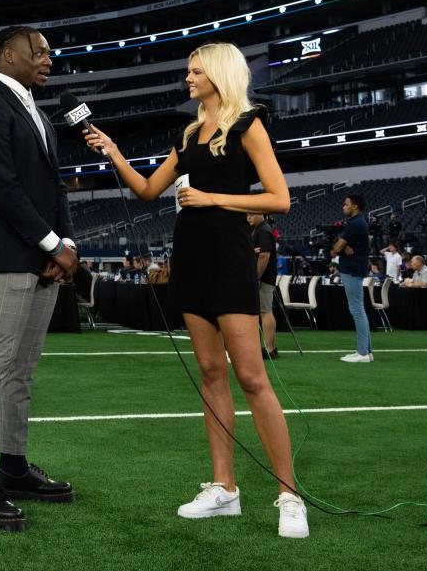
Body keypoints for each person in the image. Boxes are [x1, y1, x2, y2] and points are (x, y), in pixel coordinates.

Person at [84, 42, 308, 538]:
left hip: (229, 260)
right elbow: (146, 190)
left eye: (195, 71)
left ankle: (289, 494)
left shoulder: (249, 126)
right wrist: (115, 151)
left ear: (219, 74)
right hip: (190, 260)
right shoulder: (188, 133)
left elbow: (280, 198)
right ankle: (224, 489)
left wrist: (211, 198)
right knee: (210, 372)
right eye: (187, 71)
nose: (187, 79)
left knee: (251, 377)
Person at [0, 25, 78, 533]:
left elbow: (52, 188)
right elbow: (2, 187)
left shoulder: (38, 111)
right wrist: (50, 243)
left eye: (50, 52)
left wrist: (66, 243)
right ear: (8, 55)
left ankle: (11, 466)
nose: (48, 59)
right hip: (8, 255)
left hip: (41, 256)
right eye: (39, 51)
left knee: (21, 370)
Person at [331, 195, 373, 363]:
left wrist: (340, 248)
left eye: (346, 204)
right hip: (355, 267)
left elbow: (336, 248)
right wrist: (344, 247)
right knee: (359, 309)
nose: (343, 206)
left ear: (355, 206)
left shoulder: (355, 223)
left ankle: (363, 353)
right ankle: (366, 352)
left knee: (357, 310)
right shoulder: (358, 222)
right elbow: (342, 246)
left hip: (352, 268)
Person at [247, 213, 278, 360]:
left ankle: (269, 349)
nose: (249, 217)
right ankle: (271, 347)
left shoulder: (264, 231)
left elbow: (264, 255)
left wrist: (257, 277)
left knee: (265, 312)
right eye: (247, 215)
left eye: (252, 215)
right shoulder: (258, 230)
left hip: (264, 277)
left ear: (261, 214)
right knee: (265, 311)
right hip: (264, 276)